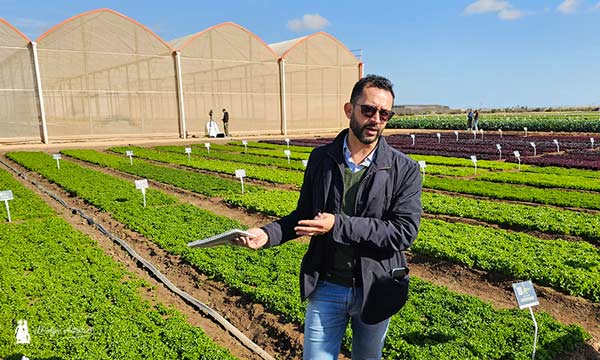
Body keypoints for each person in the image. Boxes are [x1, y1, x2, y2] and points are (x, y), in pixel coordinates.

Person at [236, 74, 422, 359]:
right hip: (327, 285)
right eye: (368, 110)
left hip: (375, 287)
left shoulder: (403, 169)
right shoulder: (321, 159)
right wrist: (267, 234)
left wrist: (338, 224)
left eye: (385, 114)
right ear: (350, 109)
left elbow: (403, 232)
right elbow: (303, 215)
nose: (376, 119)